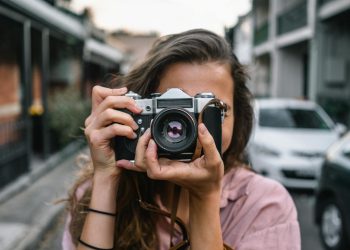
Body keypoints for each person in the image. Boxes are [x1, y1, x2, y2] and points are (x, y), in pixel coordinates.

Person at [63, 29, 301, 250]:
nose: (190, 128)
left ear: (238, 118)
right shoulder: (93, 192)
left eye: (214, 110)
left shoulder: (264, 206)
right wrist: (106, 179)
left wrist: (205, 196)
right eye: (172, 110)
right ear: (141, 111)